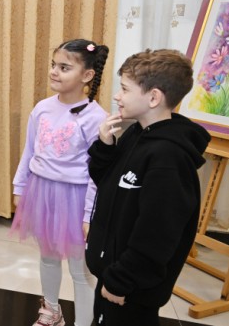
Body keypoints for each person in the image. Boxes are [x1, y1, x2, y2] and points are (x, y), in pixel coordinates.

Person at [86, 49, 210, 326]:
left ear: (154, 97)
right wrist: (105, 147)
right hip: (114, 274)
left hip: (130, 287)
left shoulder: (168, 158)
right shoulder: (137, 133)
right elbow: (109, 186)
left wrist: (121, 280)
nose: (117, 96)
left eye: (124, 89)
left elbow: (157, 233)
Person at [12, 39, 110, 326]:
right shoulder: (42, 108)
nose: (54, 71)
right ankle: (52, 311)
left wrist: (88, 214)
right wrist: (20, 186)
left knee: (80, 270)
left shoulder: (96, 118)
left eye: (65, 68)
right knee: (48, 257)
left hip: (76, 198)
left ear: (87, 75)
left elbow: (97, 172)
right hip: (41, 192)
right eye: (54, 65)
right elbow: (29, 151)